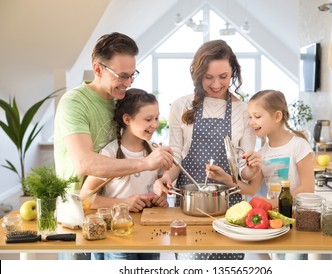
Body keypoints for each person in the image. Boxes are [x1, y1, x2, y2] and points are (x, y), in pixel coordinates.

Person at [54, 32, 173, 260]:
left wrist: (159, 178)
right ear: (98, 70)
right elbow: (84, 163)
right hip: (75, 215)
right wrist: (146, 163)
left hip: (109, 215)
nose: (128, 83)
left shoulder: (122, 102)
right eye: (122, 76)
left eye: (132, 75)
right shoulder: (74, 103)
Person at [153, 39, 257, 260]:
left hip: (231, 206)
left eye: (224, 77)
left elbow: (243, 170)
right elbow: (177, 156)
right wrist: (165, 178)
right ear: (197, 74)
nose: (217, 84)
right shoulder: (181, 106)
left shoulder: (245, 110)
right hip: (190, 206)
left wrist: (251, 168)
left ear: (234, 73)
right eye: (208, 77)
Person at [207, 89, 315, 260]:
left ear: (277, 116)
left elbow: (308, 188)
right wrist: (226, 179)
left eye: (257, 117)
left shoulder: (299, 146)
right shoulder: (262, 152)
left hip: (297, 220)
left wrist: (270, 203)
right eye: (249, 117)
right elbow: (251, 190)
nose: (251, 122)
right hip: (274, 221)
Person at [81, 88, 168, 260]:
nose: (155, 124)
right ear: (127, 119)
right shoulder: (110, 154)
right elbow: (85, 198)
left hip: (149, 234)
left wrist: (161, 197)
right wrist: (124, 203)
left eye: (157, 118)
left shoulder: (155, 152)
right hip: (119, 236)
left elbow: (160, 188)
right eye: (148, 119)